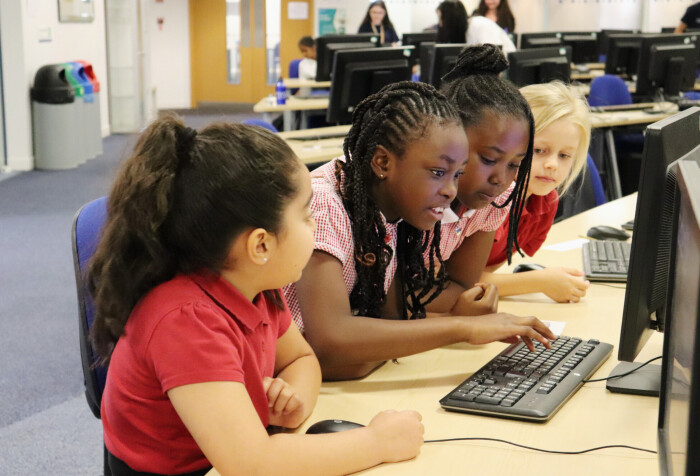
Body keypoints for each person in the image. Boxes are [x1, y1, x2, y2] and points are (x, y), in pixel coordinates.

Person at [89, 118, 424, 475]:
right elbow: (252, 465)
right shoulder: (186, 320)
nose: (314, 225)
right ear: (260, 245)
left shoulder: (256, 286)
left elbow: (301, 359)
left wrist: (294, 398)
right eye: (306, 215)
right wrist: (377, 442)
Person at [283, 81, 555, 381]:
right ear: (383, 162)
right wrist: (462, 327)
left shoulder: (393, 208)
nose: (451, 191)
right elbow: (332, 342)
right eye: (438, 173)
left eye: (458, 174)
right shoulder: (326, 205)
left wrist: (372, 348)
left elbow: (390, 324)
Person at [427, 44, 535, 316]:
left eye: (514, 164)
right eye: (488, 159)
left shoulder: (496, 199)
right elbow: (386, 299)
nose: (500, 179)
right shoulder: (412, 193)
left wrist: (455, 305)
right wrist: (457, 315)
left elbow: (462, 286)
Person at [480, 81, 592, 303]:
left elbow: (483, 274)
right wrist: (538, 282)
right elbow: (451, 282)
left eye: (564, 155)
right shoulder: (483, 201)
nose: (552, 164)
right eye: (539, 150)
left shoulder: (545, 202)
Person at [436, 0, 515, 53]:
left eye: (441, 19)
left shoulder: (479, 24)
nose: (440, 24)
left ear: (451, 19)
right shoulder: (465, 30)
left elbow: (493, 57)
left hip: (507, 66)